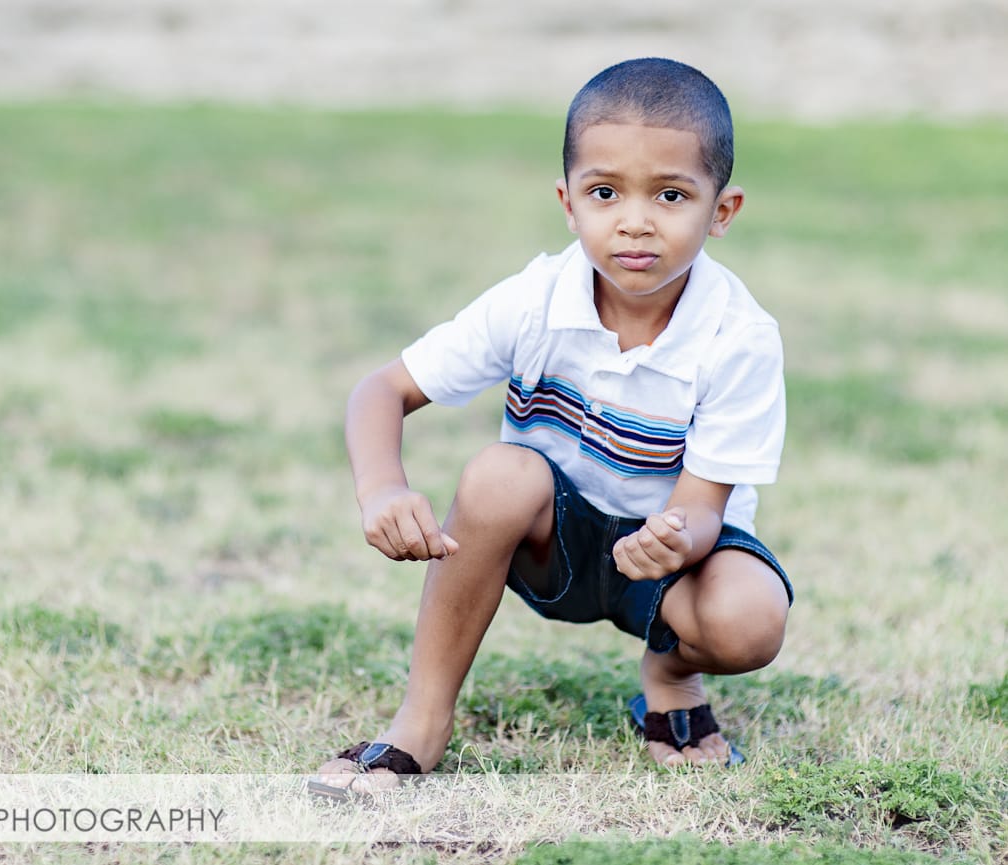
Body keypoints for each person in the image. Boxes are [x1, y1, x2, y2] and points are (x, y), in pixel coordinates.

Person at [308, 57, 793, 796]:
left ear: (720, 212)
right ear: (569, 204)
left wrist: (676, 537)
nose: (635, 219)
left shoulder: (740, 337)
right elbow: (380, 390)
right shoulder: (535, 299)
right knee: (501, 473)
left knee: (752, 615)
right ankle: (421, 719)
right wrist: (381, 487)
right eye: (606, 193)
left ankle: (671, 673)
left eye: (670, 194)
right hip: (550, 543)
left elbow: (701, 510)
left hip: (671, 559)